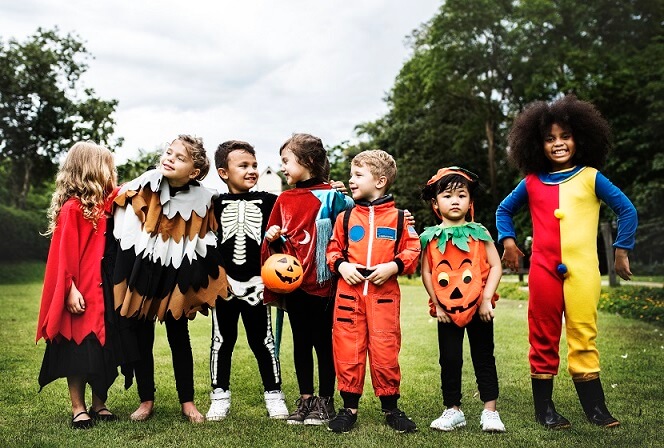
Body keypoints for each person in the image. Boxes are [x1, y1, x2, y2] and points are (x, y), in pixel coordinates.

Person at [496, 94, 637, 429]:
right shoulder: (530, 183)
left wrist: (621, 251)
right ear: (536, 144)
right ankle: (545, 410)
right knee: (542, 335)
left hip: (583, 270)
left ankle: (596, 409)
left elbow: (627, 210)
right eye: (549, 139)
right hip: (544, 270)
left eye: (565, 137)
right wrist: (510, 243)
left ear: (580, 139)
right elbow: (503, 210)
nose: (558, 144)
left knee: (583, 334)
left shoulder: (591, 177)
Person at [111, 135, 230, 423]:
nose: (169, 158)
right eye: (168, 152)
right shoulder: (143, 185)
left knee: (179, 337)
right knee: (141, 336)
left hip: (178, 272)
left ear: (194, 172)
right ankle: (146, 399)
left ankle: (187, 402)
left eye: (179, 157)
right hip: (143, 269)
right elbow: (119, 218)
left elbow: (211, 237)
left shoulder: (206, 199)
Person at [325, 150, 421, 433]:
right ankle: (348, 409)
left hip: (384, 297)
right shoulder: (344, 218)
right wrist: (342, 267)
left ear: (380, 181)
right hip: (348, 296)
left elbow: (413, 249)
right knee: (347, 350)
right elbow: (332, 250)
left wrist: (393, 266)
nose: (351, 180)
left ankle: (391, 408)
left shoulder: (401, 218)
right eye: (351, 174)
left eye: (358, 175)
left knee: (385, 351)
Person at [262, 133, 355, 425]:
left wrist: (346, 199)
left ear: (309, 161)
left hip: (325, 285)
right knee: (300, 342)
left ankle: (325, 401)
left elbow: (352, 229)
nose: (283, 168)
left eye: (287, 161)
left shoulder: (333, 197)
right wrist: (273, 238)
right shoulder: (285, 199)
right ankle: (305, 400)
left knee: (322, 343)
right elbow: (273, 241)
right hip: (294, 284)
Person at [36, 141, 120, 429]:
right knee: (78, 351)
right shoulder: (73, 209)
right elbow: (64, 255)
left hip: (105, 290)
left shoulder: (109, 207)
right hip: (82, 291)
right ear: (92, 170)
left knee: (104, 350)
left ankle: (100, 403)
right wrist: (70, 289)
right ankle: (78, 407)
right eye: (108, 166)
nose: (113, 172)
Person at [205, 140, 289, 421]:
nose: (252, 170)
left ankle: (274, 394)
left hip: (257, 285)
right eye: (243, 166)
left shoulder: (269, 201)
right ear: (223, 172)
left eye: (254, 165)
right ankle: (219, 395)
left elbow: (296, 214)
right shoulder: (214, 204)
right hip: (224, 287)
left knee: (263, 341)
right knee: (221, 341)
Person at [420, 167, 505, 433]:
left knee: (483, 357)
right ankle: (452, 409)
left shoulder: (479, 233)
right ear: (435, 203)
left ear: (470, 201)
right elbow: (427, 272)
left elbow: (495, 266)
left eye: (461, 195)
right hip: (448, 310)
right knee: (450, 358)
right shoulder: (430, 238)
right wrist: (438, 304)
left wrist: (486, 300)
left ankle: (490, 411)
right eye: (447, 195)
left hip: (479, 307)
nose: (454, 200)